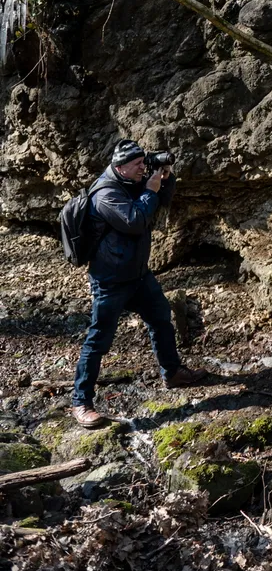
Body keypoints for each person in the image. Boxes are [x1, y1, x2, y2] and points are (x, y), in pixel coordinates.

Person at [71, 138, 203, 428]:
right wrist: (150, 191)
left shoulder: (131, 180)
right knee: (98, 341)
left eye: (144, 164)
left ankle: (172, 373)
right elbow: (135, 220)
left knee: (161, 319)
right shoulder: (105, 194)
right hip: (111, 281)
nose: (143, 169)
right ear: (120, 168)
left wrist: (163, 179)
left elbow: (162, 201)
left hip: (138, 275)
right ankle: (81, 402)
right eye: (138, 166)